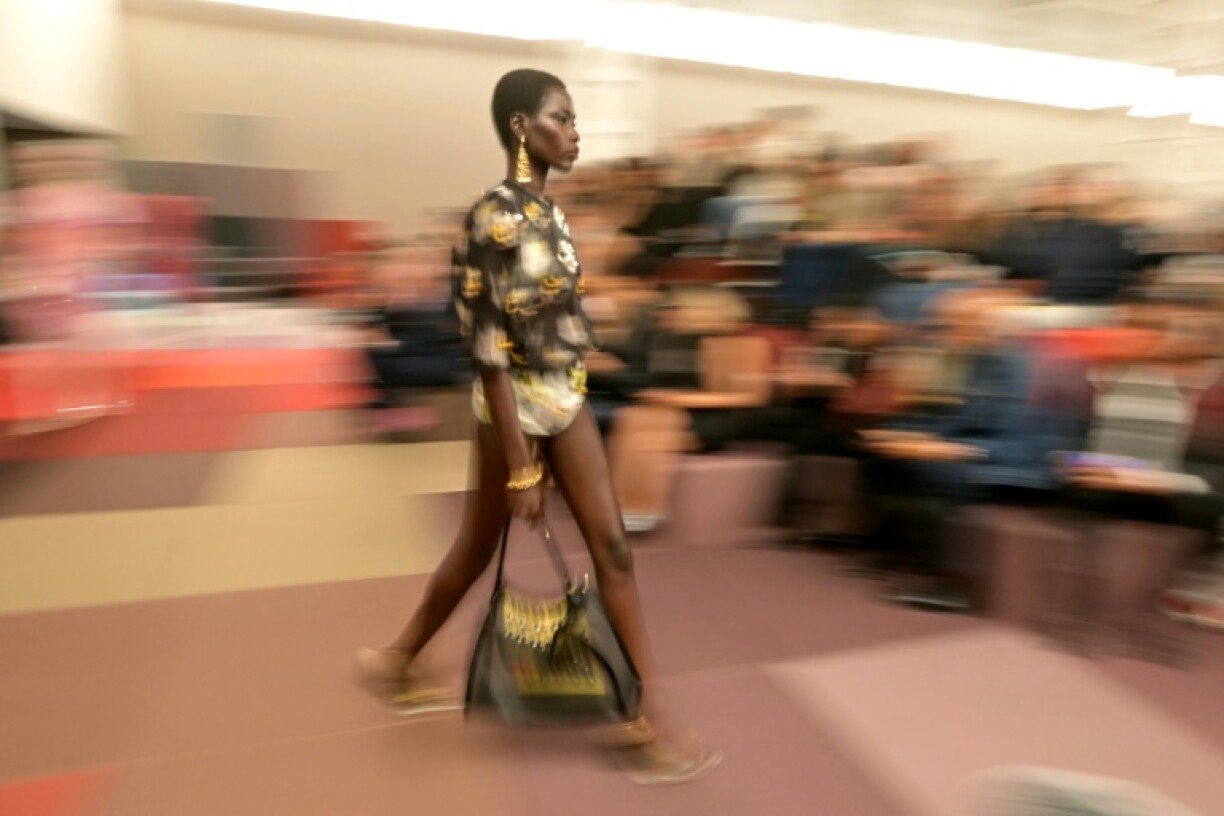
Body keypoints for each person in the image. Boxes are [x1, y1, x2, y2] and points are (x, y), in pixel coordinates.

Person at [355, 69, 721, 785]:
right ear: (523, 126)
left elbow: (553, 316)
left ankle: (642, 720)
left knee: (613, 549)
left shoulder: (552, 214)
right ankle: (397, 660)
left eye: (576, 118)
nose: (576, 130)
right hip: (511, 409)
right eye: (563, 117)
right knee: (475, 548)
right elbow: (489, 347)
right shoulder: (490, 216)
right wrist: (523, 462)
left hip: (568, 396)